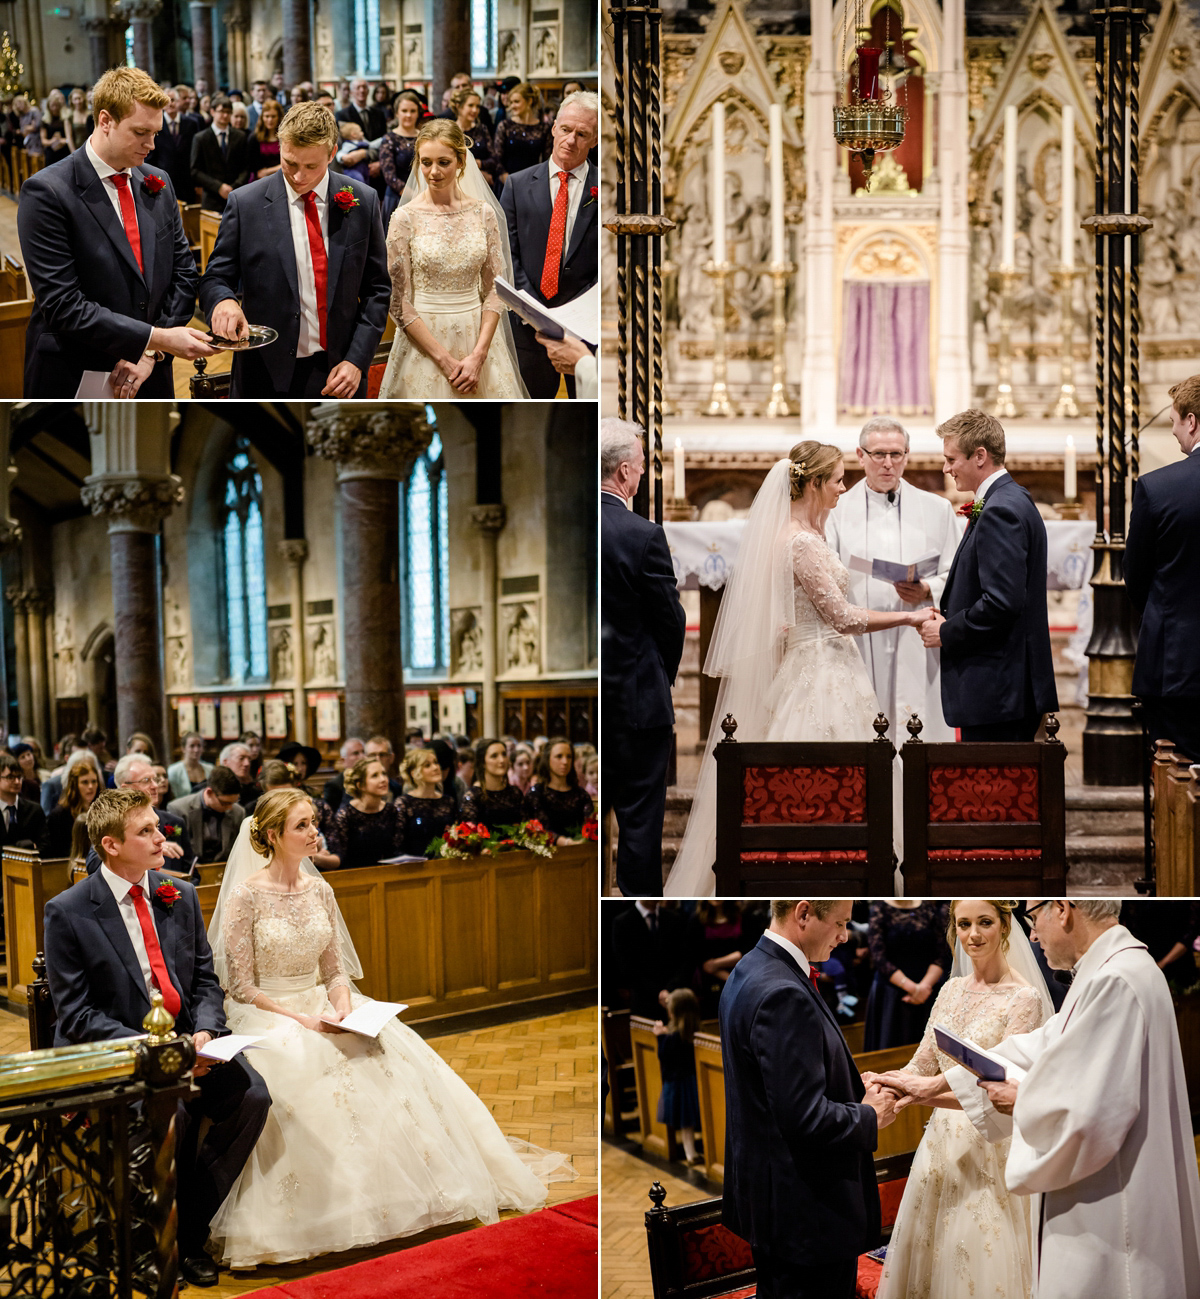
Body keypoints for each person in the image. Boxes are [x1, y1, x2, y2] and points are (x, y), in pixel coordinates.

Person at [204, 788, 567, 1266]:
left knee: (381, 1057)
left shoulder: (321, 889)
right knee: (302, 1073)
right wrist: (303, 1019)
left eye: (314, 822)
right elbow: (242, 987)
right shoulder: (246, 896)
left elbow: (335, 971)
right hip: (272, 1011)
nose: (315, 832)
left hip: (323, 1005)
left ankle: (414, 1198)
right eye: (302, 826)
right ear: (272, 835)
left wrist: (340, 1007)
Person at [884, 900, 1200, 1299]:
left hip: (1112, 1202)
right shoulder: (1114, 970)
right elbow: (1040, 1046)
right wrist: (926, 1087)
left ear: (1063, 909)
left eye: (1033, 919)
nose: (1031, 934)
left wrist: (1022, 1099)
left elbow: (1095, 1113)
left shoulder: (1115, 979)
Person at [665, 442, 935, 897]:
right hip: (821, 672)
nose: (843, 488)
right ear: (813, 483)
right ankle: (819, 869)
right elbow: (844, 617)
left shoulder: (808, 534)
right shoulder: (801, 542)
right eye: (836, 480)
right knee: (820, 780)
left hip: (827, 662)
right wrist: (910, 617)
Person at [43, 788, 271, 1287]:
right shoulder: (68, 911)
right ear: (110, 845)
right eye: (144, 831)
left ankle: (187, 1233)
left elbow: (205, 982)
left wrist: (206, 1032)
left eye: (156, 826)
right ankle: (153, 1243)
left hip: (193, 1043)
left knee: (253, 1096)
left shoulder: (178, 894)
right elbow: (76, 1014)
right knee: (178, 1114)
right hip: (125, 1052)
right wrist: (163, 1051)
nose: (159, 837)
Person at [872, 900, 1052, 1299]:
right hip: (940, 1141)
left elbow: (995, 1087)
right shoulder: (950, 989)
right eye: (964, 923)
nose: (974, 935)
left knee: (977, 1258)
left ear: (1005, 926)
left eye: (985, 922)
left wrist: (920, 1095)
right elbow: (921, 1063)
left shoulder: (1024, 999)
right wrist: (884, 1083)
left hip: (991, 1140)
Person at [720, 900, 897, 1299]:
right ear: (803, 914)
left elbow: (776, 1092)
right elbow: (805, 1118)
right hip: (806, 1216)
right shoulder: (783, 992)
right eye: (839, 923)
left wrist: (848, 1087)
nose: (844, 936)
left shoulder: (750, 966)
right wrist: (869, 1114)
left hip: (775, 1206)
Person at [18, 66, 215, 399]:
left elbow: (183, 272)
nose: (152, 144)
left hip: (150, 370)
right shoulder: (47, 192)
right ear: (105, 121)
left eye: (156, 132)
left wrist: (151, 353)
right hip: (76, 369)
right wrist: (156, 338)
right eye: (141, 132)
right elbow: (63, 304)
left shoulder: (158, 182)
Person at [199, 101, 390, 399]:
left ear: (332, 153)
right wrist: (223, 301)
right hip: (264, 369)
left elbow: (377, 290)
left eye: (311, 166)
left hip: (340, 369)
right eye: (290, 163)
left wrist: (356, 361)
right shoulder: (245, 203)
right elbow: (215, 278)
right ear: (280, 149)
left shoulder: (362, 201)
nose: (299, 176)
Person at [919, 410, 1058, 741]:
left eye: (951, 458)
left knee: (994, 789)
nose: (946, 468)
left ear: (980, 455)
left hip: (999, 689)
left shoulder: (1001, 510)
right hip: (1004, 687)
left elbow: (1001, 602)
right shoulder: (1009, 499)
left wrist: (947, 630)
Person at [825, 417, 963, 744]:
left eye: (897, 454)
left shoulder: (938, 509)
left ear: (907, 455)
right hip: (859, 636)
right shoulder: (836, 511)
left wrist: (928, 587)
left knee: (916, 726)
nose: (888, 464)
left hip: (915, 635)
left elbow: (957, 572)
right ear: (860, 455)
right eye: (878, 454)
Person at [377, 118, 526, 398]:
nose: (433, 172)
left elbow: (495, 290)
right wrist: (445, 361)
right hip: (424, 339)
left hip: (478, 335)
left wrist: (478, 355)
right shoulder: (405, 218)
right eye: (426, 162)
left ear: (461, 162)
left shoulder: (484, 213)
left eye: (443, 162)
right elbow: (399, 304)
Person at [601, 420, 685, 898]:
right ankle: (633, 906)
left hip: (594, 707)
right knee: (639, 829)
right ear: (626, 472)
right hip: (637, 705)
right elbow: (669, 620)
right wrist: (659, 676)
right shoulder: (641, 534)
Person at [499, 92, 599, 398]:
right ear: (553, 127)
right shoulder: (517, 184)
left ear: (594, 140)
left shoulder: (606, 189)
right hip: (529, 325)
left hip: (585, 331)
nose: (571, 140)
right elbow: (507, 250)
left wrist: (578, 312)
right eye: (566, 129)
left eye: (582, 134)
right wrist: (535, 310)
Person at [1125, 374, 1200, 762]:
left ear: (1191, 421)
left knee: (1179, 776)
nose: (1173, 431)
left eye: (1173, 421)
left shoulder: (1158, 487)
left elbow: (1135, 575)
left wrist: (1162, 614)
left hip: (1178, 665)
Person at [81, 754, 195, 877]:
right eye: (146, 780)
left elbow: (192, 873)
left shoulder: (174, 821)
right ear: (126, 788)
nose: (155, 786)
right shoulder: (114, 822)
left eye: (154, 779)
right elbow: (93, 865)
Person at [862, 900, 950, 1052]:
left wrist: (924, 987)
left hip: (929, 989)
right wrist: (913, 989)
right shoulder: (879, 909)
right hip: (891, 992)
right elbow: (878, 957)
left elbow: (942, 953)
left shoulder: (931, 908)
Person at [651, 987, 702, 1165]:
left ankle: (690, 1154)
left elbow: (663, 1056)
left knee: (685, 1121)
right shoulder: (692, 1032)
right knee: (688, 1121)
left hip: (677, 1083)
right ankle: (691, 1153)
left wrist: (659, 1037)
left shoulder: (673, 1038)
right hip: (689, 1081)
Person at [326, 755, 405, 868]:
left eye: (384, 773)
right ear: (360, 785)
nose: (383, 779)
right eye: (375, 776)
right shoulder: (346, 815)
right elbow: (341, 856)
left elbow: (397, 850)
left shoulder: (391, 810)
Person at [168, 765, 246, 862]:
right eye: (225, 803)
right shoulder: (179, 810)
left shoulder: (238, 812)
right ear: (209, 792)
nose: (230, 808)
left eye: (234, 802)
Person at [527, 737, 593, 843]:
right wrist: (565, 842)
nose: (565, 761)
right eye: (559, 756)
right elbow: (539, 829)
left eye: (569, 757)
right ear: (547, 759)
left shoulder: (581, 794)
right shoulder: (536, 794)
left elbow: (590, 825)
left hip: (581, 850)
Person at [190, 94, 249, 212]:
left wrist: (234, 187)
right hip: (212, 198)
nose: (225, 115)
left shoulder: (240, 136)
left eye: (228, 112)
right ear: (212, 112)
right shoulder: (201, 138)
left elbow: (245, 167)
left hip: (236, 196)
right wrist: (219, 187)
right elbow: (195, 170)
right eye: (222, 111)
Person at [396, 746, 458, 857]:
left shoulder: (448, 801)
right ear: (414, 773)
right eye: (427, 765)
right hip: (415, 866)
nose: (435, 767)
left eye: (435, 762)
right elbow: (398, 845)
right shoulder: (405, 803)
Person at [460, 737, 530, 831]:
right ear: (482, 763)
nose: (502, 760)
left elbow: (525, 828)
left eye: (504, 754)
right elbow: (470, 837)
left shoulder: (515, 793)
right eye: (494, 756)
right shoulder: (473, 797)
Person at [489, 82, 551, 188]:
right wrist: (506, 179)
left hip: (532, 184)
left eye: (516, 102)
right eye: (511, 102)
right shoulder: (504, 125)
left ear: (529, 101)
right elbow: (497, 158)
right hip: (507, 183)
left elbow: (547, 161)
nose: (512, 106)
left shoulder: (543, 128)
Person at [40, 751, 100, 857]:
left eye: (94, 781)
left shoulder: (101, 810)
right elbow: (56, 851)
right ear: (74, 785)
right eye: (85, 782)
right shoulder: (59, 814)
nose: (91, 786)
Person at [379, 89, 422, 226]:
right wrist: (409, 194)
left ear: (418, 113)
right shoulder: (389, 139)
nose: (408, 115)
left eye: (412, 111)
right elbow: (388, 175)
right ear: (397, 113)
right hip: (397, 197)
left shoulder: (425, 137)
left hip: (424, 193)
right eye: (404, 111)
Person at [0, 751, 47, 848]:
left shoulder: (34, 810)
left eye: (19, 777)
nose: (17, 782)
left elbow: (45, 845)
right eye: (10, 777)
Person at [168, 731, 212, 799]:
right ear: (183, 748)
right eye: (192, 746)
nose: (196, 750)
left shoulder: (210, 769)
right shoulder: (174, 771)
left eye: (199, 746)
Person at [247, 96, 282, 180]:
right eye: (267, 116)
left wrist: (267, 171)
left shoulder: (284, 137)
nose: (270, 120)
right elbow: (252, 167)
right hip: (260, 180)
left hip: (281, 178)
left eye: (273, 116)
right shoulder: (254, 138)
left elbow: (288, 164)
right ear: (262, 117)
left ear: (279, 117)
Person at [218, 741, 260, 806]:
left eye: (249, 759)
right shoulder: (215, 789)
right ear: (225, 762)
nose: (247, 763)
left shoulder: (255, 790)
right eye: (241, 758)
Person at [40, 90, 71, 164]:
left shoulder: (64, 118)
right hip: (51, 152)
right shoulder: (45, 120)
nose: (54, 108)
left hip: (64, 151)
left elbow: (69, 136)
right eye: (52, 106)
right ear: (48, 107)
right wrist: (52, 141)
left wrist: (63, 140)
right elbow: (43, 140)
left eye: (56, 105)